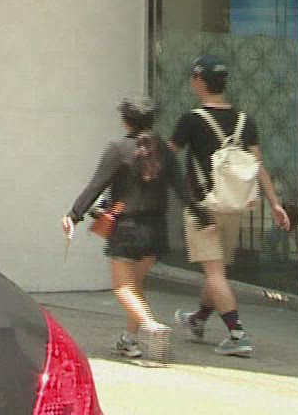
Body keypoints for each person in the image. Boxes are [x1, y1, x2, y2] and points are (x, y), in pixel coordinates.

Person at [169, 54, 291, 357]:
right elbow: (258, 166)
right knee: (218, 270)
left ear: (199, 80)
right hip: (234, 206)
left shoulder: (191, 119)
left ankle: (237, 335)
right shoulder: (245, 120)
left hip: (203, 207)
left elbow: (168, 156)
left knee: (214, 273)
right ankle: (198, 319)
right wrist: (275, 203)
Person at [62, 97, 200, 364]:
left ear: (126, 121)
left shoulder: (118, 148)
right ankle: (129, 340)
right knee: (135, 286)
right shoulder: (164, 150)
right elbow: (182, 189)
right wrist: (203, 216)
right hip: (156, 231)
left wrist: (74, 215)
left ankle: (152, 327)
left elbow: (96, 185)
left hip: (126, 230)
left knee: (123, 287)